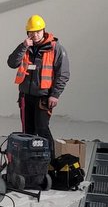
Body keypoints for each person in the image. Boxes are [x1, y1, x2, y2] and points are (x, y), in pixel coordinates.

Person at [7, 14, 69, 157]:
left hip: (43, 97)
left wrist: (55, 95)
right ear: (27, 33)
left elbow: (63, 74)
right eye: (31, 32)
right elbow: (12, 63)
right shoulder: (25, 47)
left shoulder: (55, 48)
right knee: (27, 131)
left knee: (42, 129)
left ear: (43, 30)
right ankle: (29, 160)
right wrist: (23, 46)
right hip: (25, 96)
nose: (35, 35)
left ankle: (49, 160)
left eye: (38, 31)